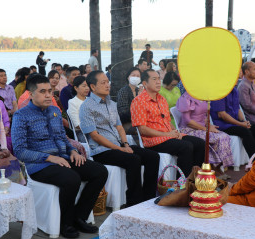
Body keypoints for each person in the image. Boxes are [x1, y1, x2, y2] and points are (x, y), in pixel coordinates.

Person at [12, 74, 107, 238]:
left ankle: (79, 216)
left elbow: (62, 137)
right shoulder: (21, 116)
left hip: (63, 157)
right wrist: (49, 158)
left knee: (100, 171)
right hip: (40, 165)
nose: (48, 95)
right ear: (30, 94)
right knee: (72, 178)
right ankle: (66, 223)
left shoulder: (55, 111)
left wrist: (72, 151)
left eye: (50, 91)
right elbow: (20, 151)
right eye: (42, 92)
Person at [80, 71, 160, 205]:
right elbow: (94, 135)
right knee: (133, 159)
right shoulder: (86, 107)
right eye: (103, 83)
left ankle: (149, 197)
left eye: (108, 82)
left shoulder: (111, 103)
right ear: (93, 87)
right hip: (102, 150)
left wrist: (125, 144)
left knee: (152, 156)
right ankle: (134, 202)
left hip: (119, 145)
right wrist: (119, 149)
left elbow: (119, 127)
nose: (107, 85)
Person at [131, 69, 205, 176]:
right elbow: (142, 129)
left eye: (159, 79)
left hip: (168, 135)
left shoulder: (161, 99)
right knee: (186, 147)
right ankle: (182, 185)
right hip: (153, 140)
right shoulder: (138, 101)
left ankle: (195, 179)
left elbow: (167, 121)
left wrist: (175, 132)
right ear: (144, 83)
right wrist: (167, 134)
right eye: (154, 79)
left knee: (200, 143)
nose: (158, 82)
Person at [176, 92, 234, 169]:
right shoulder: (186, 98)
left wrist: (209, 126)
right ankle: (211, 167)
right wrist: (206, 129)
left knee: (224, 136)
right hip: (189, 129)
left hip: (202, 128)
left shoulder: (203, 96)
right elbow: (188, 121)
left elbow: (205, 116)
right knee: (218, 138)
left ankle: (215, 167)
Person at [210, 87, 255, 158]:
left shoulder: (234, 90)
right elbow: (222, 115)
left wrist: (244, 121)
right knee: (245, 132)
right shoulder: (219, 92)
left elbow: (237, 109)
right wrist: (241, 124)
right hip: (223, 125)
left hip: (236, 123)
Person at [117, 67, 143, 134]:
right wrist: (138, 99)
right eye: (133, 75)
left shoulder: (140, 91)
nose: (135, 77)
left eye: (138, 76)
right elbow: (123, 113)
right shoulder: (123, 91)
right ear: (128, 77)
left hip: (141, 121)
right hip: (128, 123)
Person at [68, 76, 89, 141]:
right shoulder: (72, 102)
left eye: (88, 86)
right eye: (84, 86)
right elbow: (77, 125)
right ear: (76, 88)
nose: (87, 88)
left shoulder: (90, 100)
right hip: (83, 133)